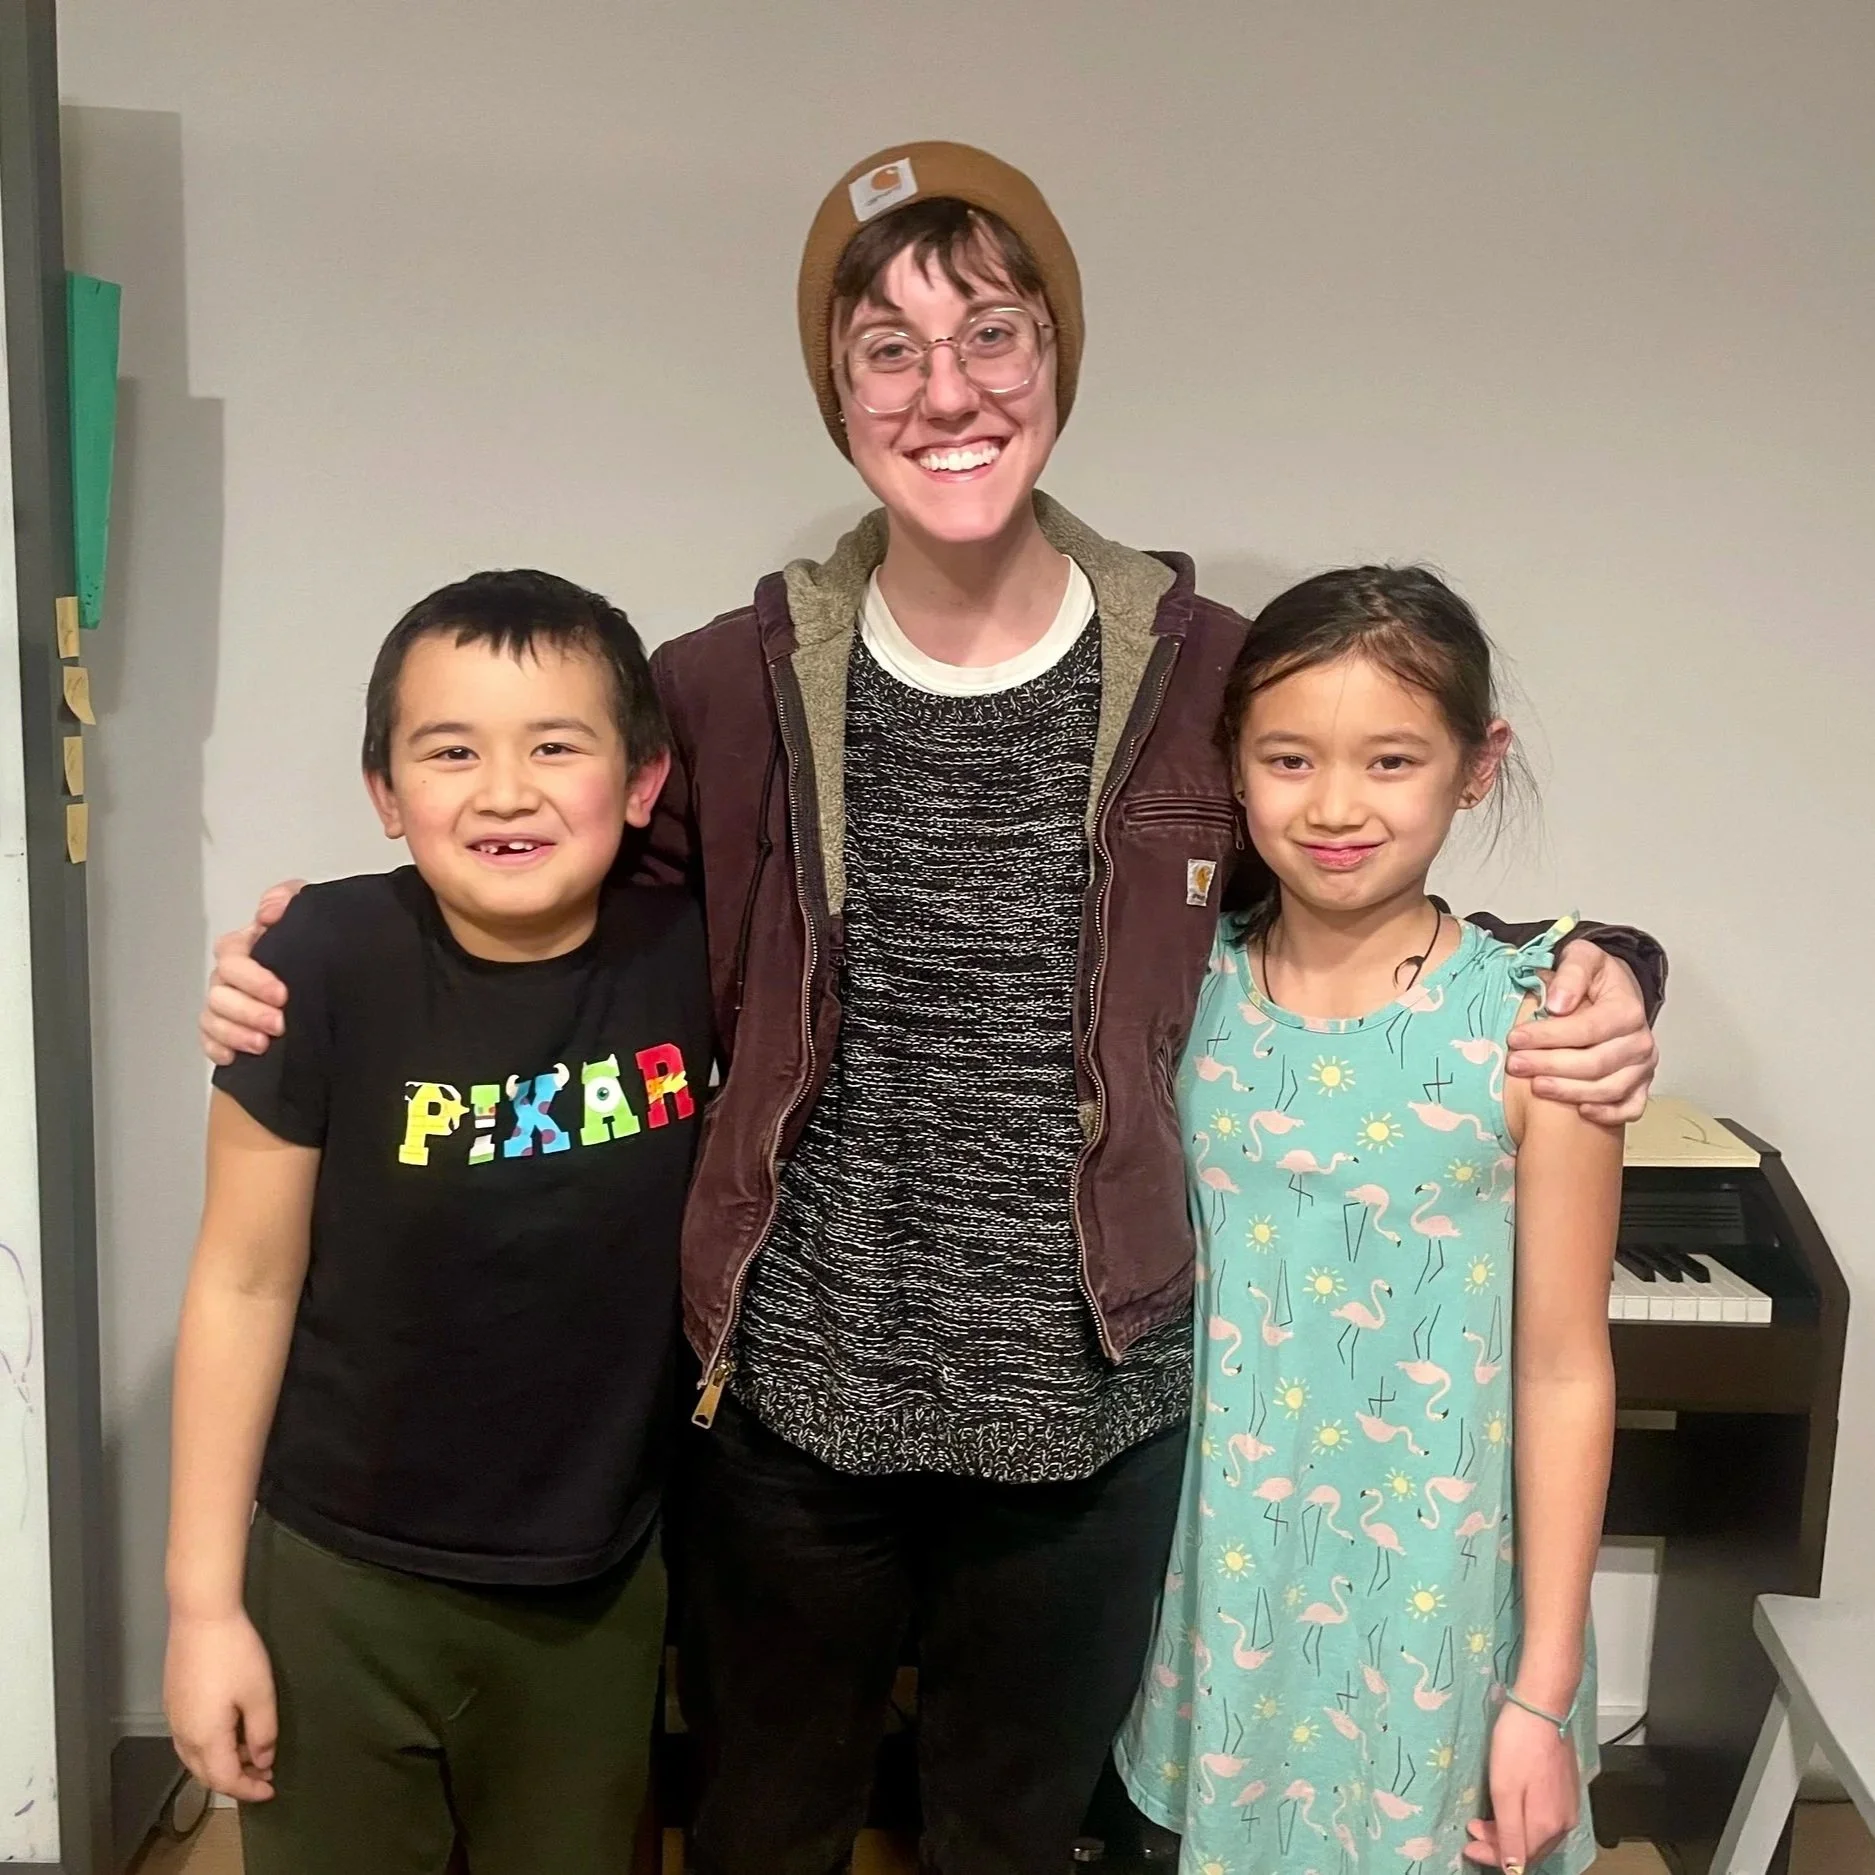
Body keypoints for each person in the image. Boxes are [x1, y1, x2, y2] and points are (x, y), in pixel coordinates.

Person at [195, 146, 1662, 1875]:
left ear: (1057, 361)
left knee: (1010, 1841)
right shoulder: (729, 686)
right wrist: (337, 929)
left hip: (1089, 1420)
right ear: (835, 395)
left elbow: (1351, 840)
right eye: (887, 349)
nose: (946, 389)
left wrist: (1599, 957)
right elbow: (543, 865)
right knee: (760, 1829)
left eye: (991, 334)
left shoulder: (1203, 671)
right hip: (795, 1413)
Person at [164, 571, 709, 1875]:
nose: (503, 789)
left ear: (640, 784)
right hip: (339, 1579)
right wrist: (201, 1607)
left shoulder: (699, 956)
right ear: (385, 793)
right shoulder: (324, 959)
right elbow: (241, 1281)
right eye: (450, 749)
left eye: (555, 745)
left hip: (595, 1582)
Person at [1116, 567, 1620, 1875]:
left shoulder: (1538, 1029)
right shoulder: (1175, 992)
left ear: (1472, 765)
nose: (1335, 806)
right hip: (1213, 1594)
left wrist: (1540, 1693)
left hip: (1431, 1621)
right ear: (1232, 763)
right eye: (1289, 758)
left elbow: (1566, 1367)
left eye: (1390, 759)